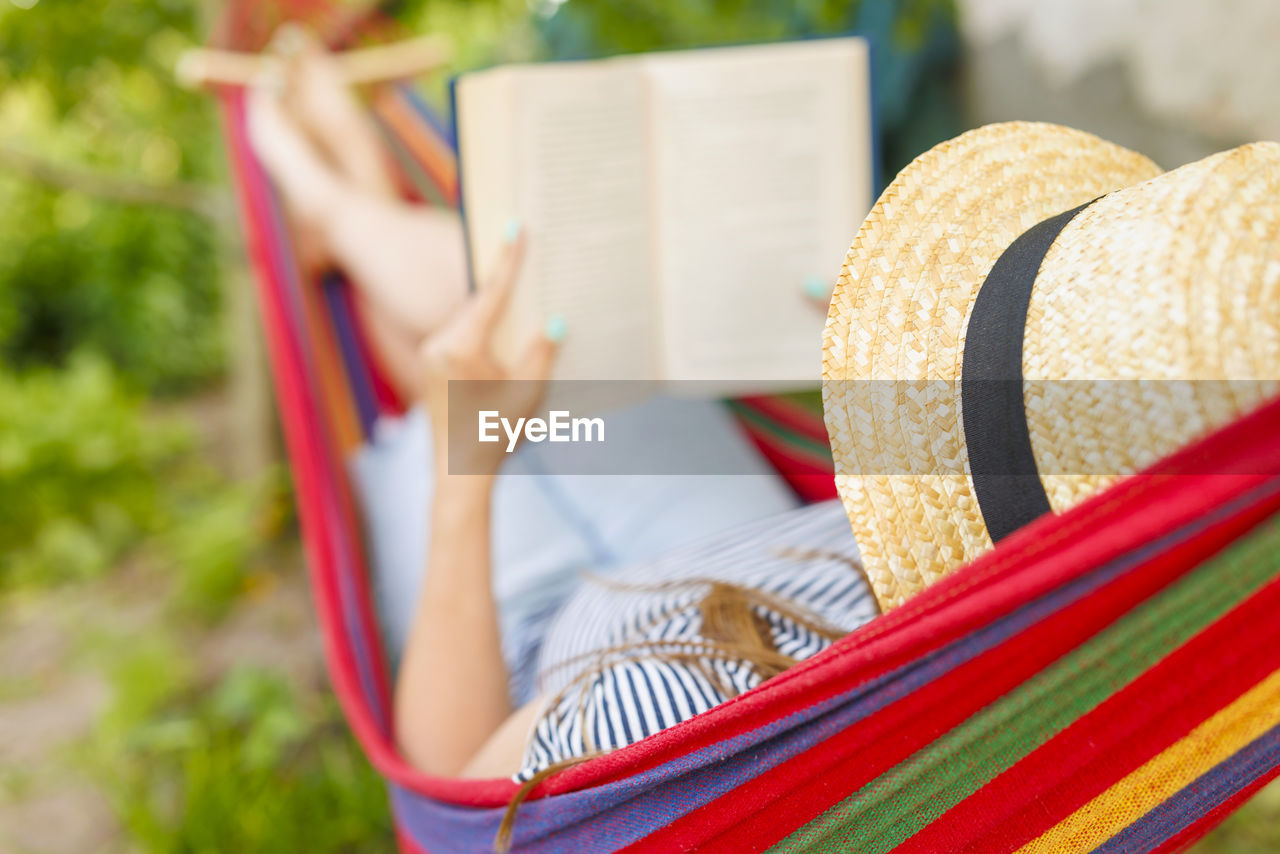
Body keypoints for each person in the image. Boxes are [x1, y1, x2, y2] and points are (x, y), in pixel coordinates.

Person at [245, 29, 875, 784]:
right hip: (781, 554)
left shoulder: (638, 750)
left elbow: (457, 787)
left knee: (453, 384)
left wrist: (465, 479)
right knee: (513, 330)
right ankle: (350, 195)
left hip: (538, 667)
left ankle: (335, 196)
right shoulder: (990, 566)